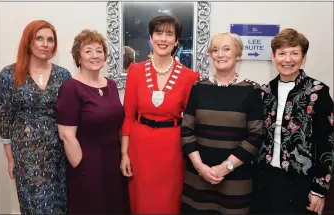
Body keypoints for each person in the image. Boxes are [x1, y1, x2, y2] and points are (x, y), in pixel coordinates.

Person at [120, 14, 199, 214]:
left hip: (172, 149)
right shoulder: (135, 72)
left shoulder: (190, 77)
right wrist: (124, 154)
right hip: (139, 148)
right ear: (151, 37)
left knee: (168, 203)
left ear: (176, 41)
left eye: (169, 34)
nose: (163, 39)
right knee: (141, 203)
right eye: (158, 33)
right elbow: (128, 116)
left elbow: (190, 123)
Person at [250, 28, 334, 214]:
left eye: (294, 53)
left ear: (303, 58)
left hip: (301, 182)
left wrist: (319, 188)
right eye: (282, 53)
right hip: (265, 179)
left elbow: (327, 142)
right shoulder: (264, 92)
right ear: (273, 57)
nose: (287, 60)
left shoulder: (318, 92)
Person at [180, 32, 263, 214]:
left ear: (238, 54)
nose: (220, 54)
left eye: (227, 49)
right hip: (198, 178)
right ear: (210, 55)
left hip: (236, 180)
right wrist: (200, 167)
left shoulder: (252, 90)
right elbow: (186, 129)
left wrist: (225, 168)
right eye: (215, 50)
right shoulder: (198, 88)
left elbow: (255, 136)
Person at [0, 20, 71, 214]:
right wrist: (10, 159)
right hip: (26, 155)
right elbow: (5, 118)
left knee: (59, 206)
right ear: (28, 41)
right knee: (34, 207)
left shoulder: (63, 75)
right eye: (39, 38)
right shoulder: (9, 74)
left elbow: (70, 116)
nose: (45, 44)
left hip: (58, 153)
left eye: (50, 40)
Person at [56, 29, 129, 214]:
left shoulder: (111, 84)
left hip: (113, 162)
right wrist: (80, 166)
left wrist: (122, 155)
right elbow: (66, 134)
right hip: (87, 164)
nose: (95, 55)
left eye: (99, 50)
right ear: (78, 57)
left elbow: (118, 123)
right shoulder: (71, 88)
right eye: (88, 51)